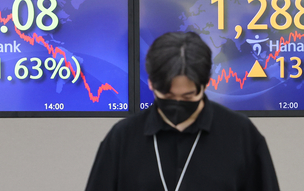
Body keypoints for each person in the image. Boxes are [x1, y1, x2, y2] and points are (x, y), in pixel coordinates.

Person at [85, 32, 280, 191]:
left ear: (206, 84)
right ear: (151, 83)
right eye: (167, 96)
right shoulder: (123, 138)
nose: (177, 103)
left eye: (188, 97)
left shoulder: (240, 134)